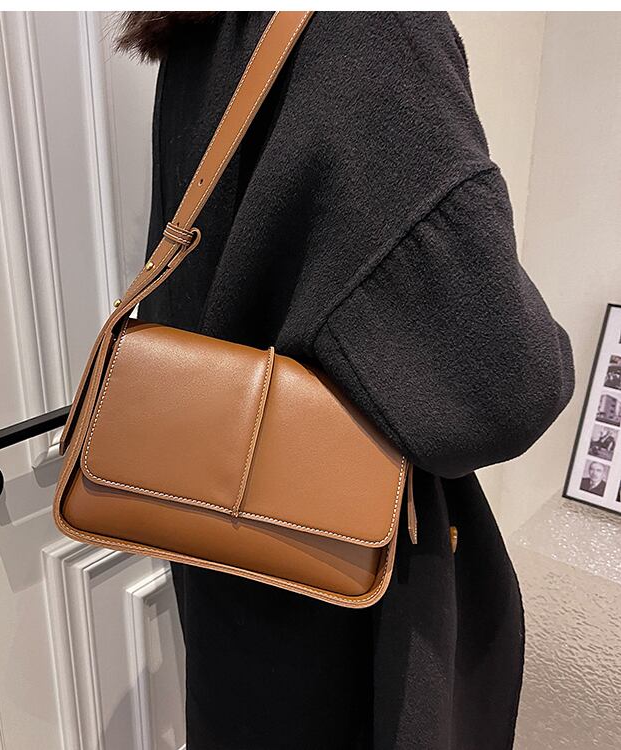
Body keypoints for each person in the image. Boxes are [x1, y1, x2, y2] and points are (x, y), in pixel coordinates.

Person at [115, 11, 575, 750]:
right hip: (347, 604)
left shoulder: (208, 29)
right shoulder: (371, 29)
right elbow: (505, 390)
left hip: (227, 566)